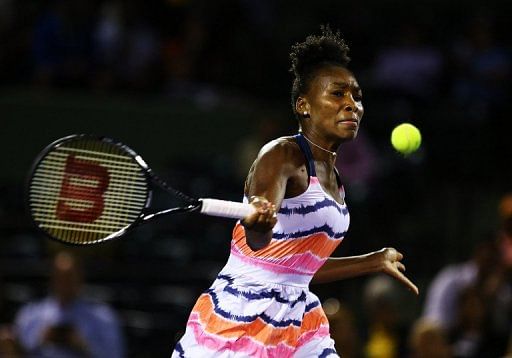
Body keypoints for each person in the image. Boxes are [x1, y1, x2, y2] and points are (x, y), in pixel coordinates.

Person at [172, 25, 418, 357]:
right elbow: (258, 242)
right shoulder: (283, 155)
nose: (352, 105)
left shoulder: (336, 181)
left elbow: (297, 269)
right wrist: (260, 220)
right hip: (242, 316)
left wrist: (371, 262)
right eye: (337, 94)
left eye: (356, 96)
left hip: (299, 319)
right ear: (304, 105)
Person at [14, 251, 124, 358]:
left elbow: (115, 354)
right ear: (52, 279)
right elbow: (15, 353)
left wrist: (83, 346)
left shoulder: (103, 317)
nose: (65, 284)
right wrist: (39, 340)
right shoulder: (29, 315)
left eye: (69, 278)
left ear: (80, 278)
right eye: (60, 278)